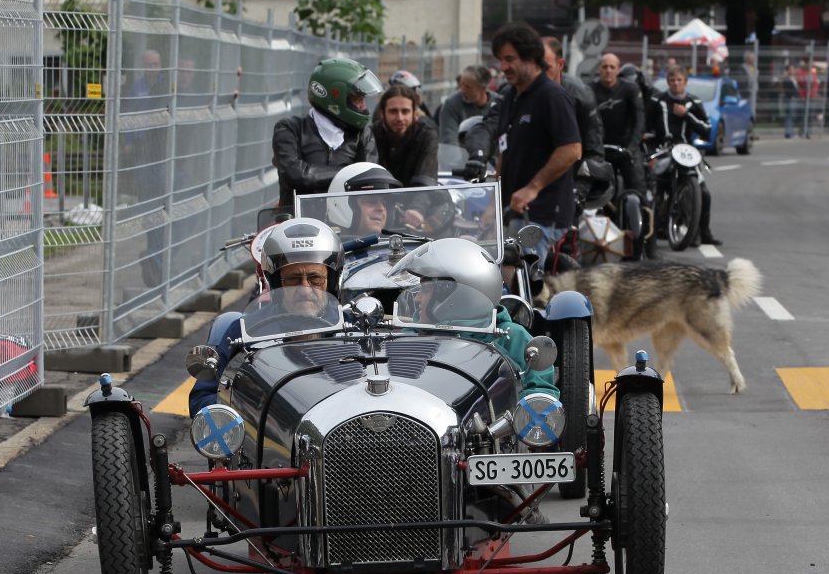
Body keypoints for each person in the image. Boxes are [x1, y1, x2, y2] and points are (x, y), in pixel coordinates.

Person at [188, 219, 345, 416]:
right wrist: (241, 400)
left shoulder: (352, 326)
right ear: (276, 283)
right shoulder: (246, 330)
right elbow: (203, 398)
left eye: (315, 278)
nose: (305, 290)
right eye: (293, 280)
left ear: (331, 281)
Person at [387, 238, 558, 397]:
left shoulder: (510, 337)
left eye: (424, 290)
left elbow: (541, 396)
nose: (417, 299)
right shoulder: (411, 335)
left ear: (452, 296)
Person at [488, 24, 582, 257]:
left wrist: (532, 188)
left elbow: (572, 149)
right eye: (501, 60)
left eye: (510, 59)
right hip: (513, 211)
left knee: (523, 274)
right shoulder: (511, 97)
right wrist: (493, 201)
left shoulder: (552, 96)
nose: (503, 67)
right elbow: (504, 151)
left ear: (531, 57)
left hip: (541, 214)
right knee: (502, 272)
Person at [271, 56, 381, 214]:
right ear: (336, 96)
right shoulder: (289, 128)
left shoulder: (363, 134)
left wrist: (353, 177)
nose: (363, 105)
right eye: (356, 98)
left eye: (363, 98)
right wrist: (350, 175)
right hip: (298, 223)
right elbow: (295, 174)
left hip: (348, 223)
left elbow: (368, 179)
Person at [649, 65, 718, 245]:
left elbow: (707, 130)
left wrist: (687, 115)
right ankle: (654, 229)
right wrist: (650, 151)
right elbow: (646, 127)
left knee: (704, 193)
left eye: (679, 80)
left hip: (686, 151)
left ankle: (703, 231)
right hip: (663, 150)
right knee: (656, 188)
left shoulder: (694, 102)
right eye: (672, 80)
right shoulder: (657, 100)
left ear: (685, 82)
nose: (676, 84)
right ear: (668, 82)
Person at [591, 52, 650, 260]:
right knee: (593, 194)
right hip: (600, 149)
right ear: (599, 69)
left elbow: (639, 121)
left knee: (639, 190)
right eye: (604, 66)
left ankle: (647, 242)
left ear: (618, 69)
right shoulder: (590, 90)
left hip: (626, 149)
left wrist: (632, 147)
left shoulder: (630, 89)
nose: (608, 71)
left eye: (612, 67)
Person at [123, 48, 169, 287]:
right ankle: (152, 250)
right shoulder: (137, 87)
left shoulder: (165, 86)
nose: (152, 68)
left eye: (156, 64)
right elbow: (130, 115)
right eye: (148, 64)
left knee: (161, 204)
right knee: (148, 204)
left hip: (160, 152)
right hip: (142, 151)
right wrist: (128, 141)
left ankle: (155, 255)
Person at [369, 83, 439, 188]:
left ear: (414, 114)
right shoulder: (370, 134)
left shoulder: (426, 134)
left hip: (416, 195)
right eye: (393, 111)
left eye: (405, 111)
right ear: (382, 114)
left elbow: (425, 181)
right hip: (380, 196)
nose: (400, 118)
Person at [437, 64, 494, 149]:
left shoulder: (499, 103)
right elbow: (449, 141)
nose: (462, 90)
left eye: (468, 87)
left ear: (483, 88)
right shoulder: (452, 104)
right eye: (461, 85)